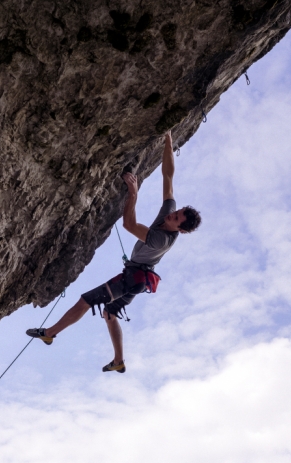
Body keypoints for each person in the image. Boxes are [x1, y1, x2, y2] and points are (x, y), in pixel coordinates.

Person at [26, 131, 201, 373]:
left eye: (176, 218)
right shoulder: (168, 215)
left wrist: (133, 194)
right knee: (110, 313)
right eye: (176, 212)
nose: (172, 214)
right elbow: (168, 176)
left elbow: (129, 225)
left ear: (179, 229)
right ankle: (119, 360)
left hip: (133, 278)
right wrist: (168, 140)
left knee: (87, 300)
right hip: (139, 280)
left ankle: (49, 333)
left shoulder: (162, 238)